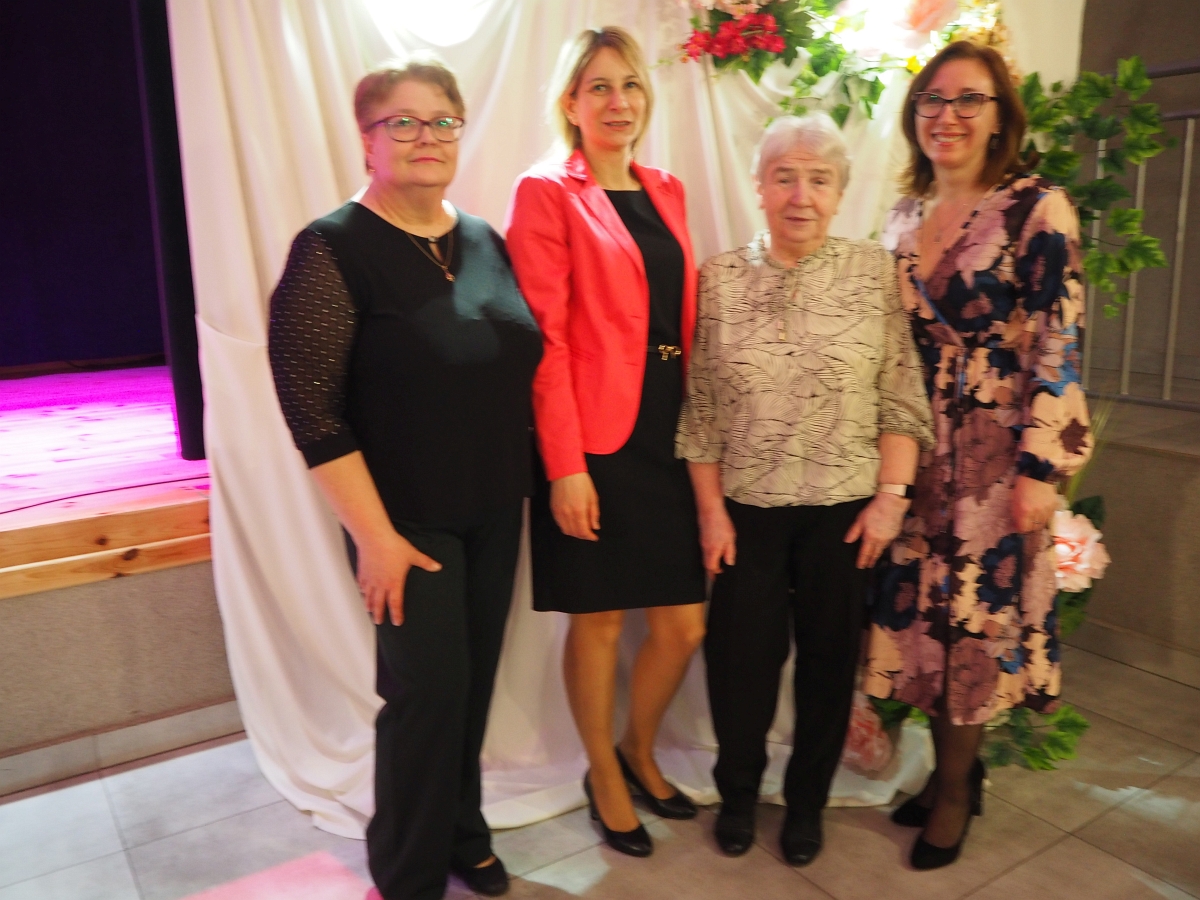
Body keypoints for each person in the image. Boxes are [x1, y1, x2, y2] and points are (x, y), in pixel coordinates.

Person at [267, 57, 542, 900]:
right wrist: (375, 539)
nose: (428, 137)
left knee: (471, 686)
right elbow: (313, 413)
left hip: (494, 508)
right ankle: (407, 871)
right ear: (367, 139)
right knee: (426, 696)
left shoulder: (484, 238)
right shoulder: (332, 247)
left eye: (443, 121)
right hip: (405, 521)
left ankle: (462, 831)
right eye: (404, 122)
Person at [677, 113, 935, 867]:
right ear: (758, 187)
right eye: (784, 177)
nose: (801, 195)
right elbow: (701, 409)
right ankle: (738, 794)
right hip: (746, 512)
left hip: (844, 513)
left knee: (828, 663)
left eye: (819, 180)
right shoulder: (719, 278)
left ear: (840, 193)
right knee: (740, 665)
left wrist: (891, 498)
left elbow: (899, 394)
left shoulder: (872, 273)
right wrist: (710, 512)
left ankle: (807, 804)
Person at [863, 40, 1093, 871]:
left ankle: (956, 792)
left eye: (969, 100)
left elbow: (1060, 339)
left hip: (995, 464)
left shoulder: (1037, 209)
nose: (948, 115)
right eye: (932, 99)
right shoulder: (901, 215)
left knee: (972, 626)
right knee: (924, 627)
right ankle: (949, 771)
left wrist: (1041, 467)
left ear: (1001, 119)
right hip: (914, 455)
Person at [504, 26, 706, 858]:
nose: (618, 102)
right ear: (570, 102)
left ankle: (637, 747)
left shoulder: (667, 188)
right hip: (593, 437)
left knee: (683, 624)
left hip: (669, 426)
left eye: (630, 86)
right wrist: (565, 466)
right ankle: (604, 773)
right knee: (598, 621)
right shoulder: (546, 191)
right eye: (599, 87)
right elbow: (543, 340)